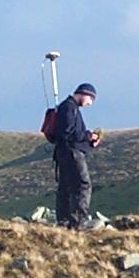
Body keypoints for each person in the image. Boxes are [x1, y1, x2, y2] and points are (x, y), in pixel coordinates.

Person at [52, 83, 101, 229]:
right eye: (90, 99)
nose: (89, 103)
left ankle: (64, 220)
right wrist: (88, 136)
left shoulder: (68, 107)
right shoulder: (69, 107)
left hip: (64, 152)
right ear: (84, 94)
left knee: (66, 186)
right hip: (71, 152)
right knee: (82, 184)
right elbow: (69, 132)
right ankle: (80, 220)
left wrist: (88, 140)